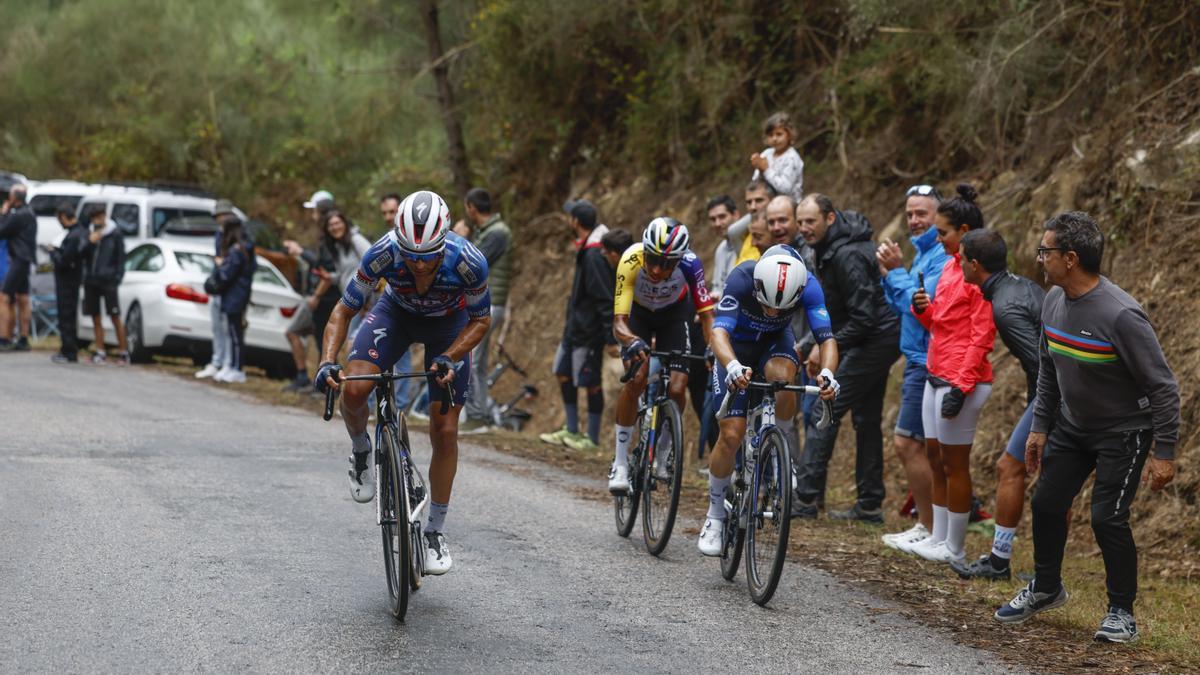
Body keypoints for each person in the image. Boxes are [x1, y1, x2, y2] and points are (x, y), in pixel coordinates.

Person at [995, 212, 1180, 644]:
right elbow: (1048, 368)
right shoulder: (1053, 300)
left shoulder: (1121, 315)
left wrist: (1165, 452)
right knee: (1046, 503)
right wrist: (1040, 426)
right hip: (1073, 426)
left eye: (1045, 251)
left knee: (1107, 518)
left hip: (1124, 431)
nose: (1039, 258)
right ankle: (1046, 588)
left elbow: (1163, 387)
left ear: (1071, 258)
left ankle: (1122, 613)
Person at [315, 190, 491, 576]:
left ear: (443, 243)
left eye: (427, 256)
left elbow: (481, 320)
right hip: (396, 313)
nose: (418, 264)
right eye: (410, 255)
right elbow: (343, 311)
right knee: (355, 388)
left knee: (445, 430)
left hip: (450, 325)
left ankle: (434, 532)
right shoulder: (382, 253)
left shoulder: (468, 261)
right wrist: (327, 360)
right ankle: (361, 451)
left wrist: (451, 356)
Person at [698, 246, 839, 555]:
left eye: (782, 308)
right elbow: (719, 334)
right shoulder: (742, 277)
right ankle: (715, 515)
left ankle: (779, 445)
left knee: (784, 378)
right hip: (735, 347)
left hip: (775, 343)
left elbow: (827, 338)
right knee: (731, 434)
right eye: (766, 304)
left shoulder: (809, 285)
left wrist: (828, 373)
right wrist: (732, 366)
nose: (773, 313)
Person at [793, 194, 902, 523]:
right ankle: (869, 505)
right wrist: (810, 343)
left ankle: (805, 499)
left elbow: (864, 317)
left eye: (810, 221)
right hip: (868, 337)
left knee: (826, 407)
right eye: (800, 222)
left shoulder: (847, 254)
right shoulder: (828, 247)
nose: (804, 228)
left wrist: (826, 345)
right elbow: (837, 309)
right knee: (866, 418)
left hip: (876, 338)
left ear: (829, 218)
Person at [908, 184, 995, 563]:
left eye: (942, 232)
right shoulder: (948, 266)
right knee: (935, 457)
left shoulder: (979, 274)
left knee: (954, 462)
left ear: (963, 232)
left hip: (961, 378)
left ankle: (955, 547)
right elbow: (940, 324)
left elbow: (982, 335)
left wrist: (962, 385)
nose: (937, 238)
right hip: (935, 370)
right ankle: (938, 537)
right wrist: (922, 310)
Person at [950, 229, 1043, 579]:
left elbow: (1042, 364)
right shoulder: (1020, 286)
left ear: (975, 265)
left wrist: (1041, 415)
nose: (958, 264)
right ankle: (1040, 571)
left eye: (961, 259)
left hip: (1058, 397)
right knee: (1044, 479)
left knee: (1011, 468)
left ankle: (1002, 563)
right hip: (1061, 394)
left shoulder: (1005, 308)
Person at [607, 218, 714, 492]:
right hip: (638, 316)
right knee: (636, 380)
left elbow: (706, 315)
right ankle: (620, 463)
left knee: (678, 387)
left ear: (679, 259)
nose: (656, 269)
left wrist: (714, 346)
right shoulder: (631, 259)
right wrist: (632, 341)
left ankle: (664, 453)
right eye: (653, 259)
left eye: (667, 264)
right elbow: (619, 323)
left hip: (674, 315)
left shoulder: (691, 264)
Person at [876, 185, 949, 551]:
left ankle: (931, 528)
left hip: (928, 361)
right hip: (917, 359)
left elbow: (922, 308)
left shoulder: (942, 256)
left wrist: (896, 272)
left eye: (922, 213)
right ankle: (930, 526)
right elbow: (901, 305)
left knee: (908, 443)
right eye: (909, 214)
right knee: (921, 447)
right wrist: (889, 275)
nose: (914, 221)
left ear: (940, 216)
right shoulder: (923, 253)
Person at [539, 199, 615, 451]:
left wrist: (610, 336)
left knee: (591, 382)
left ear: (576, 222)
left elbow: (604, 297)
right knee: (562, 371)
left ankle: (591, 438)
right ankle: (571, 428)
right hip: (574, 327)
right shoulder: (587, 248)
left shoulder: (594, 254)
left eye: (570, 216)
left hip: (588, 331)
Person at [464, 187, 513, 428]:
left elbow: (472, 264)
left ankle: (475, 416)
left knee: (471, 359)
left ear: (472, 208)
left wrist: (461, 240)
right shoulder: (489, 231)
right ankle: (480, 413)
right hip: (489, 302)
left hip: (488, 304)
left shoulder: (497, 233)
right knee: (480, 363)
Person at [281, 192, 337, 391]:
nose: (312, 215)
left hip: (325, 297)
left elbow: (328, 269)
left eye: (314, 211)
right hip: (321, 296)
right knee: (321, 340)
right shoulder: (323, 235)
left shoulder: (330, 236)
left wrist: (317, 295)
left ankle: (320, 383)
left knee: (321, 340)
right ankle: (314, 381)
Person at [209, 215, 258, 384]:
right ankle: (231, 366)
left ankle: (237, 369)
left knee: (236, 335)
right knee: (232, 332)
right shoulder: (244, 249)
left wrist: (220, 266)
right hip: (237, 295)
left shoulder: (237, 251)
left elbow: (227, 275)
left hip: (235, 296)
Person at [379, 193, 415, 413]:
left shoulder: (415, 238)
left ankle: (400, 406)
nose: (388, 217)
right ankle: (379, 404)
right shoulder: (386, 240)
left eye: (392, 212)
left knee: (402, 356)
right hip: (386, 303)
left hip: (410, 306)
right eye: (384, 213)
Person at [80, 206, 128, 365]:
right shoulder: (89, 232)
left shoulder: (115, 233)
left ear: (104, 216)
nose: (97, 221)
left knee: (115, 315)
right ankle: (100, 351)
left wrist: (116, 278)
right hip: (91, 280)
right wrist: (90, 242)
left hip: (109, 280)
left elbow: (121, 258)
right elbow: (81, 253)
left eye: (99, 217)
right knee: (95, 316)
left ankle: (123, 352)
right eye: (94, 218)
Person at [195, 200, 237, 379]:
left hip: (230, 287)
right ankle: (217, 361)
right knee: (216, 326)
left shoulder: (237, 235)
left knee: (228, 329)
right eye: (219, 216)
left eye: (224, 215)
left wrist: (224, 265)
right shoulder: (219, 234)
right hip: (219, 285)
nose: (221, 219)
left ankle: (227, 363)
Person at [48, 202, 88, 363]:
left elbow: (65, 261)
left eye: (60, 219)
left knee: (66, 316)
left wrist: (53, 253)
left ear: (64, 217)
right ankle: (68, 349)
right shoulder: (79, 232)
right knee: (68, 316)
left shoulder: (74, 236)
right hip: (72, 281)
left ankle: (69, 351)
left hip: (67, 282)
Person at [0, 184, 37, 351]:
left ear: (14, 198)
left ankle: (4, 338)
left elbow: (1, 231)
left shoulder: (18, 215)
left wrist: (4, 213)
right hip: (26, 259)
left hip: (18, 259)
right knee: (23, 299)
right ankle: (23, 338)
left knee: (4, 297)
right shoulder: (30, 213)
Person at [750, 112, 804, 203]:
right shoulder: (766, 154)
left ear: (789, 135)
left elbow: (786, 188)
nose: (774, 138)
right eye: (771, 135)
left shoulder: (792, 157)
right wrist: (759, 169)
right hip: (768, 204)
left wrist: (766, 170)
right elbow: (755, 182)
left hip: (789, 205)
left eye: (779, 134)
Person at [706, 195, 740, 297]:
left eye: (722, 217)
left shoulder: (750, 244)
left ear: (736, 215)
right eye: (713, 219)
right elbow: (717, 286)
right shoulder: (720, 249)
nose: (717, 223)